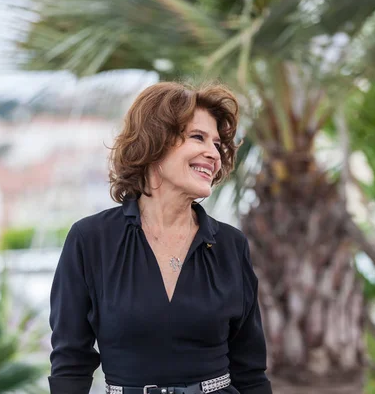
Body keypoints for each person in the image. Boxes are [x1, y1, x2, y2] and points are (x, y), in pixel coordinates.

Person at [48, 81, 272, 394]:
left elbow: (250, 373)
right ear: (156, 141)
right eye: (198, 137)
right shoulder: (90, 239)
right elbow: (70, 363)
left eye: (217, 144)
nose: (213, 153)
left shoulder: (231, 246)